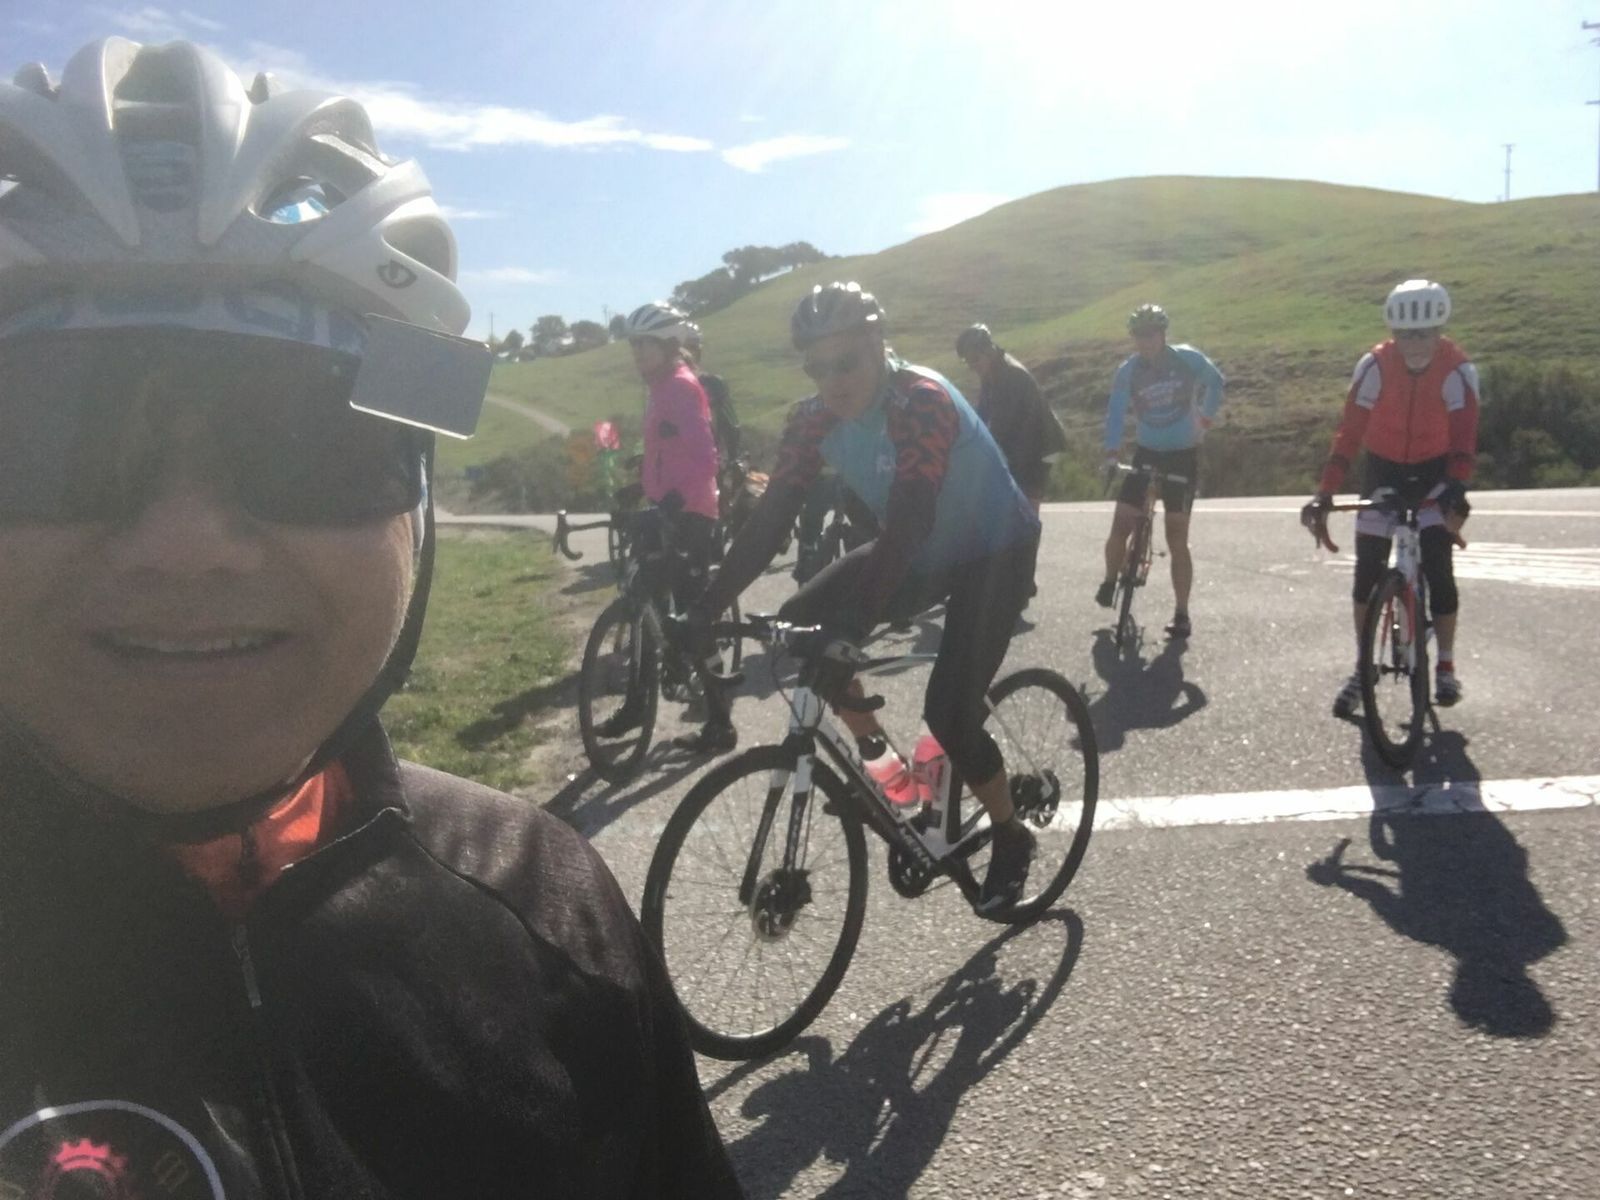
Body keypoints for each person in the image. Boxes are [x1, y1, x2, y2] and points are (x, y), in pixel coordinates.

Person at [0, 38, 742, 1199]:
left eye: (308, 438)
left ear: (418, 503)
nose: (186, 544)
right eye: (44, 434)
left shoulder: (547, 899)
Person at [689, 283, 1043, 913]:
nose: (832, 382)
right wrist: (706, 608)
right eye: (817, 368)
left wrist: (853, 628)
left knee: (950, 711)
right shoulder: (812, 419)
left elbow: (910, 520)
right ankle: (895, 780)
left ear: (878, 344)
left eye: (845, 362)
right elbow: (772, 517)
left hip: (995, 550)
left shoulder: (920, 400)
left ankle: (1012, 835)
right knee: (801, 624)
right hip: (921, 550)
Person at [1302, 279, 1478, 715]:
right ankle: (1363, 667)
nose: (1414, 344)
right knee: (1366, 574)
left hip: (1435, 470)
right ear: (1393, 334)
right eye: (1404, 335)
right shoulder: (1375, 367)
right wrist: (1326, 492)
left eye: (1424, 334)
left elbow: (1464, 439)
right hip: (1383, 470)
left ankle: (1446, 664)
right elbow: (1349, 434)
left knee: (1439, 568)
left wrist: (1457, 484)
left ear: (1439, 331)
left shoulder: (1457, 370)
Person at [600, 301, 734, 755]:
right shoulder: (659, 388)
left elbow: (706, 457)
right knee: (644, 601)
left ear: (670, 345)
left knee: (692, 617)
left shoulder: (680, 386)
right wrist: (641, 488)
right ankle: (638, 704)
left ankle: (720, 721)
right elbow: (666, 453)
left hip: (691, 514)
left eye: (647, 344)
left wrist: (674, 503)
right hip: (666, 508)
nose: (638, 352)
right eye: (634, 344)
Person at [1096, 303, 1225, 640]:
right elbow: (1115, 412)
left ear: (1163, 334)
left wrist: (1204, 420)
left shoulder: (1188, 359)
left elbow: (1216, 382)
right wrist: (1111, 453)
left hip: (1182, 455)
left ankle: (1181, 613)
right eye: (1139, 335)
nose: (1145, 341)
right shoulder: (1128, 371)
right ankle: (1110, 580)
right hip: (1147, 452)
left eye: (1151, 334)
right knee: (1121, 523)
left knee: (1176, 537)